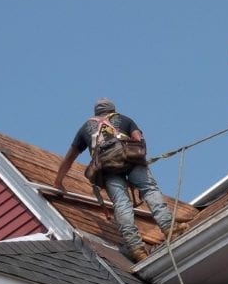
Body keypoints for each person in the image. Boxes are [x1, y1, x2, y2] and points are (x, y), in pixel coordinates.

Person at [54, 98, 187, 262]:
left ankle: (136, 249)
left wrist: (58, 181)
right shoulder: (124, 119)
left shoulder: (85, 129)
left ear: (96, 112)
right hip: (131, 160)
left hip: (107, 169)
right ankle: (169, 228)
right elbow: (139, 140)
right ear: (112, 109)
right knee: (149, 189)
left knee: (121, 203)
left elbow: (69, 158)